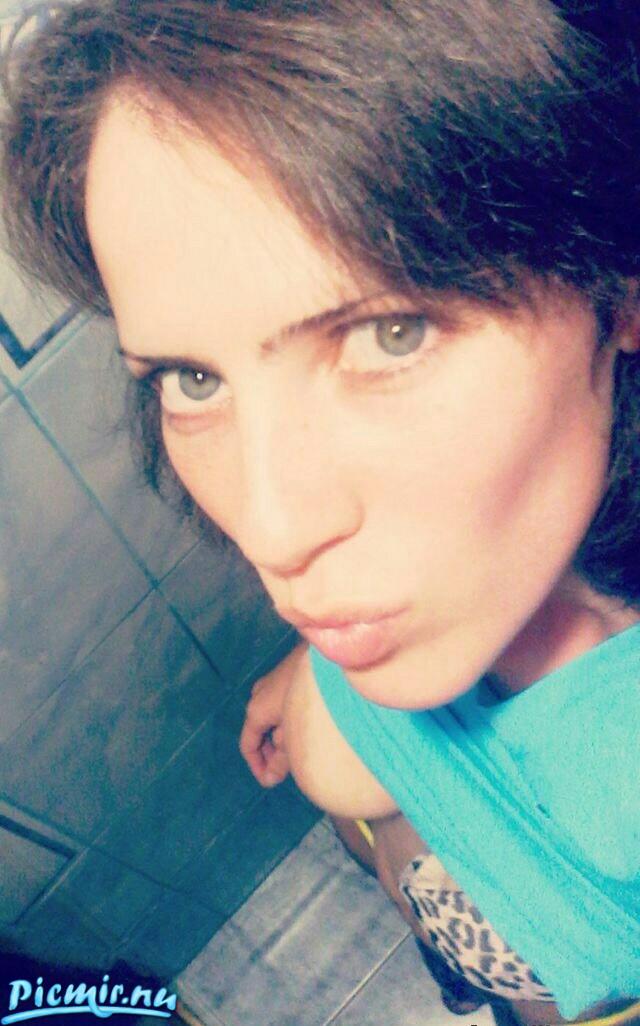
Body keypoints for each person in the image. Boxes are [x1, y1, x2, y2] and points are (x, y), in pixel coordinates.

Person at [3, 1, 640, 1023]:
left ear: (617, 283)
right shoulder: (473, 580)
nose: (269, 531)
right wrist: (324, 668)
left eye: (391, 334)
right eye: (191, 378)